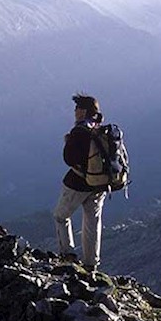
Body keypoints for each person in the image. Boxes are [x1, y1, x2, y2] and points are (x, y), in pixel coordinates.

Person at [52, 93, 108, 268]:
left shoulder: (79, 131)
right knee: (92, 222)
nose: (75, 112)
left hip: (77, 183)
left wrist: (68, 142)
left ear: (83, 111)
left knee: (61, 216)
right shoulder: (100, 129)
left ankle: (67, 255)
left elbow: (69, 158)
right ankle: (91, 263)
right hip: (100, 184)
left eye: (77, 108)